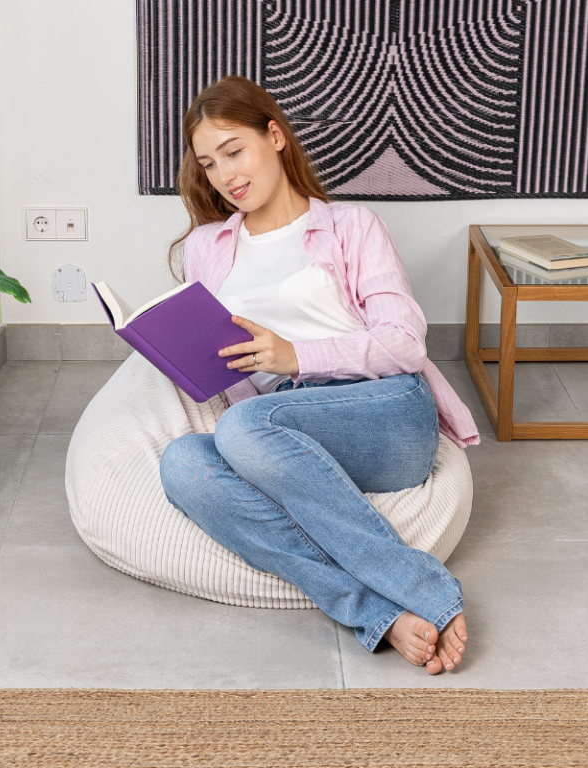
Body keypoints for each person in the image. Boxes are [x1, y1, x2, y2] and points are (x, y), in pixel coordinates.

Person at [159, 75, 479, 675]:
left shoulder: (352, 225)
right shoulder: (207, 247)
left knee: (245, 428)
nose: (224, 175)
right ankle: (374, 609)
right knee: (183, 464)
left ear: (275, 136)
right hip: (280, 430)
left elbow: (405, 342)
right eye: (208, 164)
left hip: (384, 410)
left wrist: (297, 356)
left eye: (234, 151)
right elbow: (224, 363)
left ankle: (424, 587)